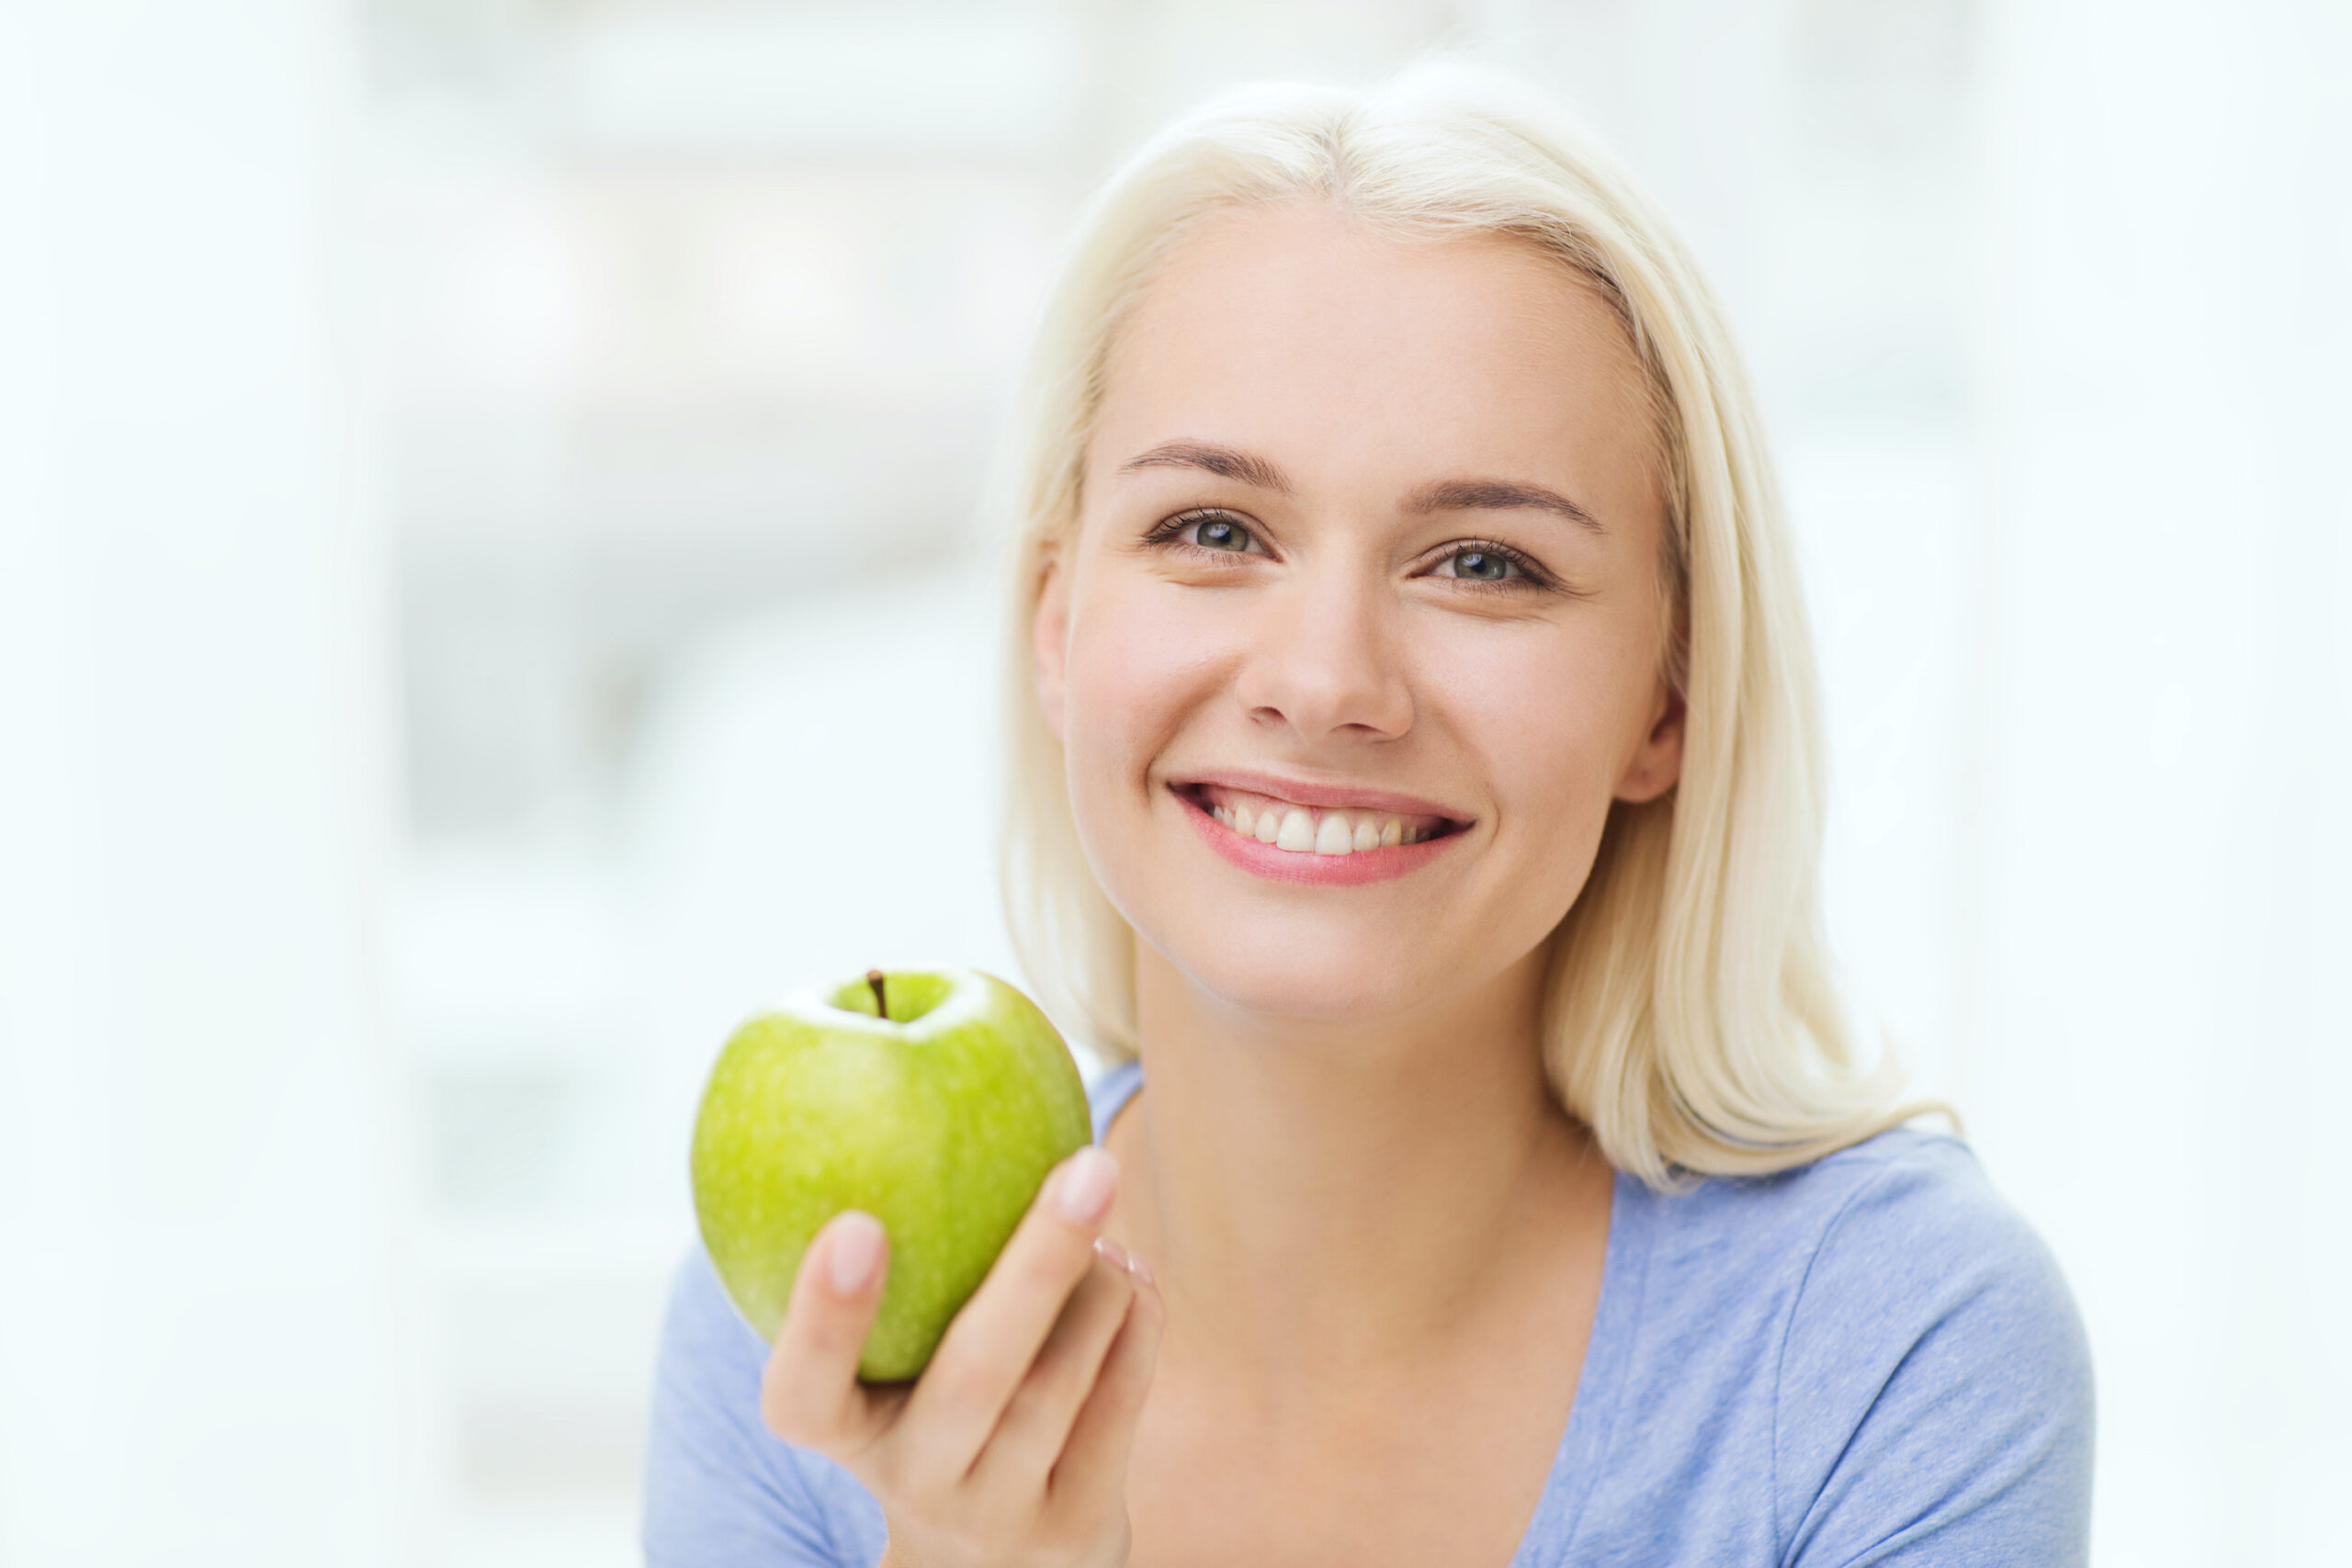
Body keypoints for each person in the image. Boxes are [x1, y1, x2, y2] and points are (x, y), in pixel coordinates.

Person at [642, 63, 2093, 1567]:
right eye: (1214, 531)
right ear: (1058, 626)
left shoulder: (1889, 1351)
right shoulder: (828, 1317)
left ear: (1666, 702)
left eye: (1483, 563)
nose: (1328, 680)